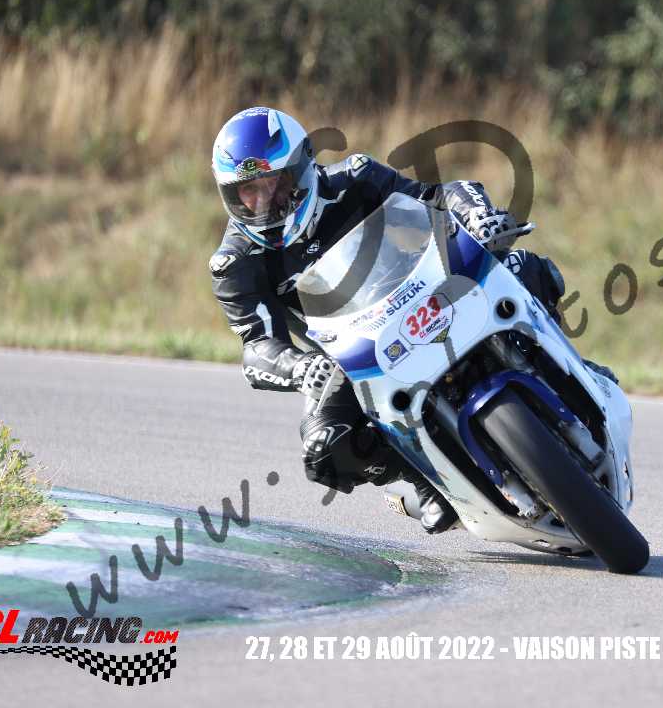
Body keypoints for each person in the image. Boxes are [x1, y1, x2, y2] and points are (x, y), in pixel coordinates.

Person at [208, 106, 613, 533]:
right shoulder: (234, 263)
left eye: (273, 184)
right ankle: (423, 481)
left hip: (423, 291)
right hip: (351, 355)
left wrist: (476, 217)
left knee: (523, 267)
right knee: (324, 445)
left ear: (303, 167)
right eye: (246, 192)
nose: (263, 202)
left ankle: (567, 370)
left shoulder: (355, 178)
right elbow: (257, 347)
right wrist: (301, 366)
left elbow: (437, 196)